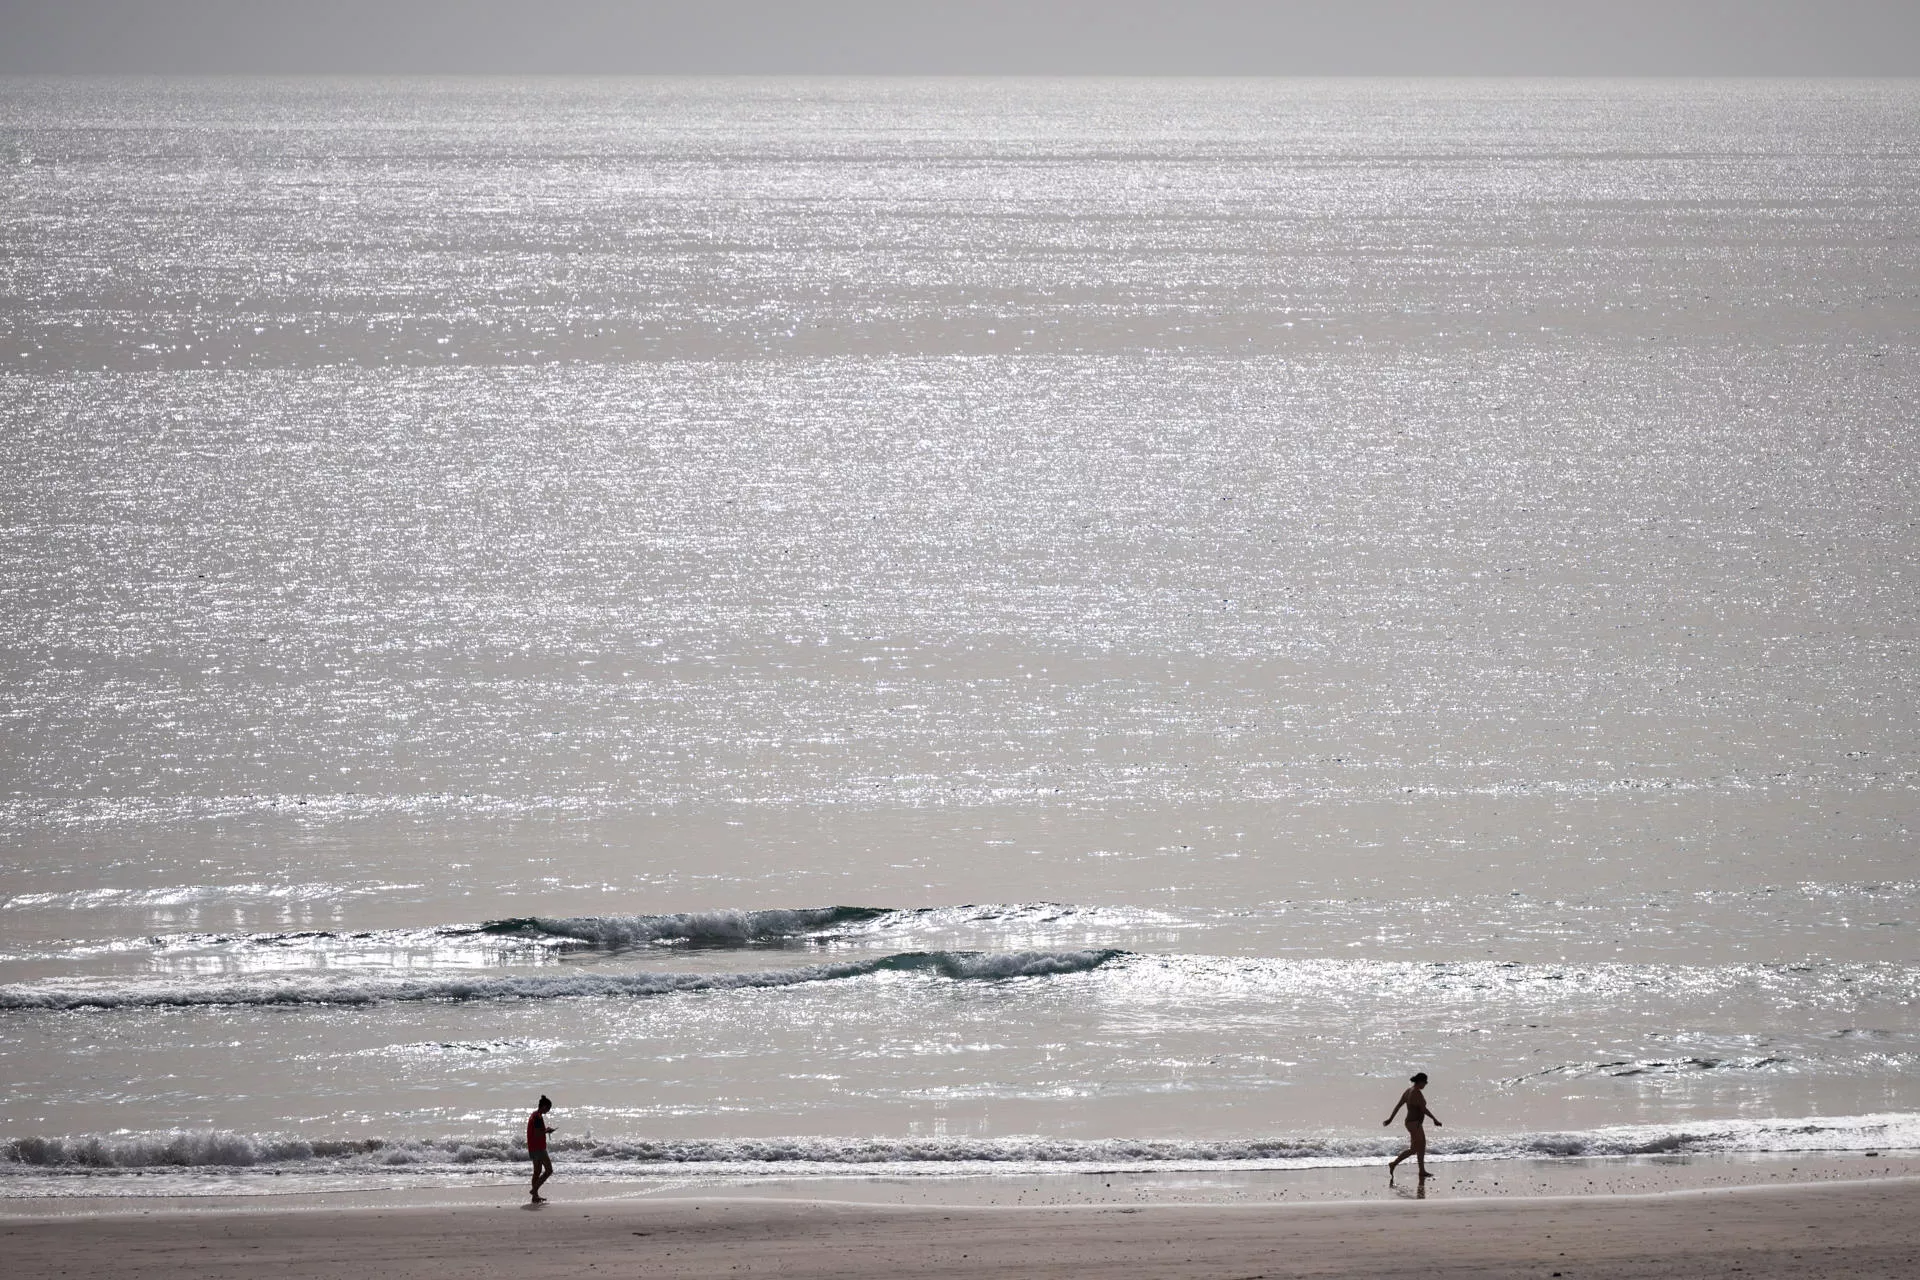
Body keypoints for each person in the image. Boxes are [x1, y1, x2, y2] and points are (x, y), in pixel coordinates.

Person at [1384, 1071, 1440, 1183]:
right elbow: (1423, 1109)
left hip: (1411, 1123)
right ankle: (1394, 1163)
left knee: (1421, 1147)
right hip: (1414, 1123)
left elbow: (1398, 1106)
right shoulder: (1416, 1092)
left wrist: (1390, 1119)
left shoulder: (1408, 1091)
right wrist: (1434, 1119)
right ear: (1420, 1082)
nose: (1425, 1085)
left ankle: (1422, 1171)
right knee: (1415, 1149)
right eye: (1425, 1082)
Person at [527, 1095, 555, 1201]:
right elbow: (538, 1133)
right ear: (543, 1106)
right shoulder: (537, 1117)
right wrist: (547, 1131)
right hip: (538, 1148)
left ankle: (535, 1197)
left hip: (533, 1147)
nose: (548, 1111)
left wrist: (546, 1130)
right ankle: (534, 1190)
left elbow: (537, 1131)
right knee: (549, 1170)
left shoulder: (534, 1115)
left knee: (537, 1172)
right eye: (548, 1108)